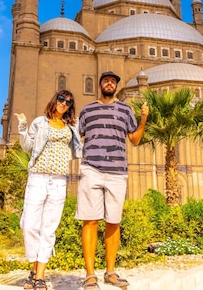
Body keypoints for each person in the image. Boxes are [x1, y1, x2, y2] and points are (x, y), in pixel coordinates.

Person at [75, 71, 149, 289]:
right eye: (106, 80)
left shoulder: (126, 110)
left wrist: (144, 118)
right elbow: (77, 138)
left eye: (114, 81)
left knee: (113, 221)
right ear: (100, 84)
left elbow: (134, 139)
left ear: (117, 86)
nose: (110, 83)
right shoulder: (87, 110)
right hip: (92, 170)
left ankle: (110, 272)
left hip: (117, 171)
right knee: (90, 220)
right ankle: (90, 274)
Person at [15, 89, 83, 290]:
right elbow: (27, 147)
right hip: (38, 178)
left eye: (68, 102)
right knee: (29, 226)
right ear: (55, 100)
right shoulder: (40, 122)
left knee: (48, 229)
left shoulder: (70, 127)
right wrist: (22, 128)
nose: (64, 103)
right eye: (61, 99)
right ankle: (34, 271)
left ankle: (39, 276)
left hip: (59, 181)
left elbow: (78, 150)